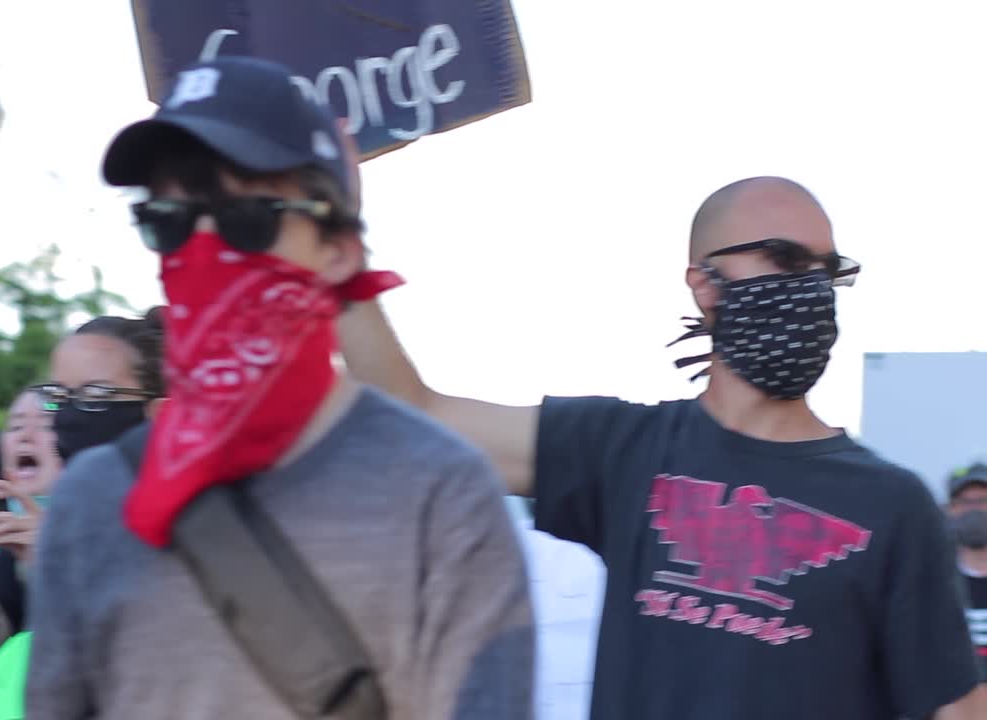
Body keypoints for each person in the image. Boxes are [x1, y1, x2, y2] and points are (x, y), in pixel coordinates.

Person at [338, 176, 987, 718]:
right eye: (784, 260)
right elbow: (414, 416)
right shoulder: (624, 449)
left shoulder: (893, 504)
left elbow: (956, 709)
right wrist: (336, 244)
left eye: (827, 271)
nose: (810, 289)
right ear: (705, 286)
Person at [26, 56, 535, 720]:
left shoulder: (439, 494)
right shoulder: (92, 502)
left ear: (339, 252)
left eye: (247, 217)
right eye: (169, 220)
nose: (204, 245)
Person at [0, 313, 166, 700]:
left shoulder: (195, 527)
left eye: (96, 396)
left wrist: (58, 571)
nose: (70, 416)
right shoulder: (45, 536)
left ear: (159, 413)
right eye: (58, 398)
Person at [946, 462, 987, 681]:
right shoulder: (934, 583)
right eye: (964, 502)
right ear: (950, 509)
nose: (973, 509)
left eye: (982, 500)